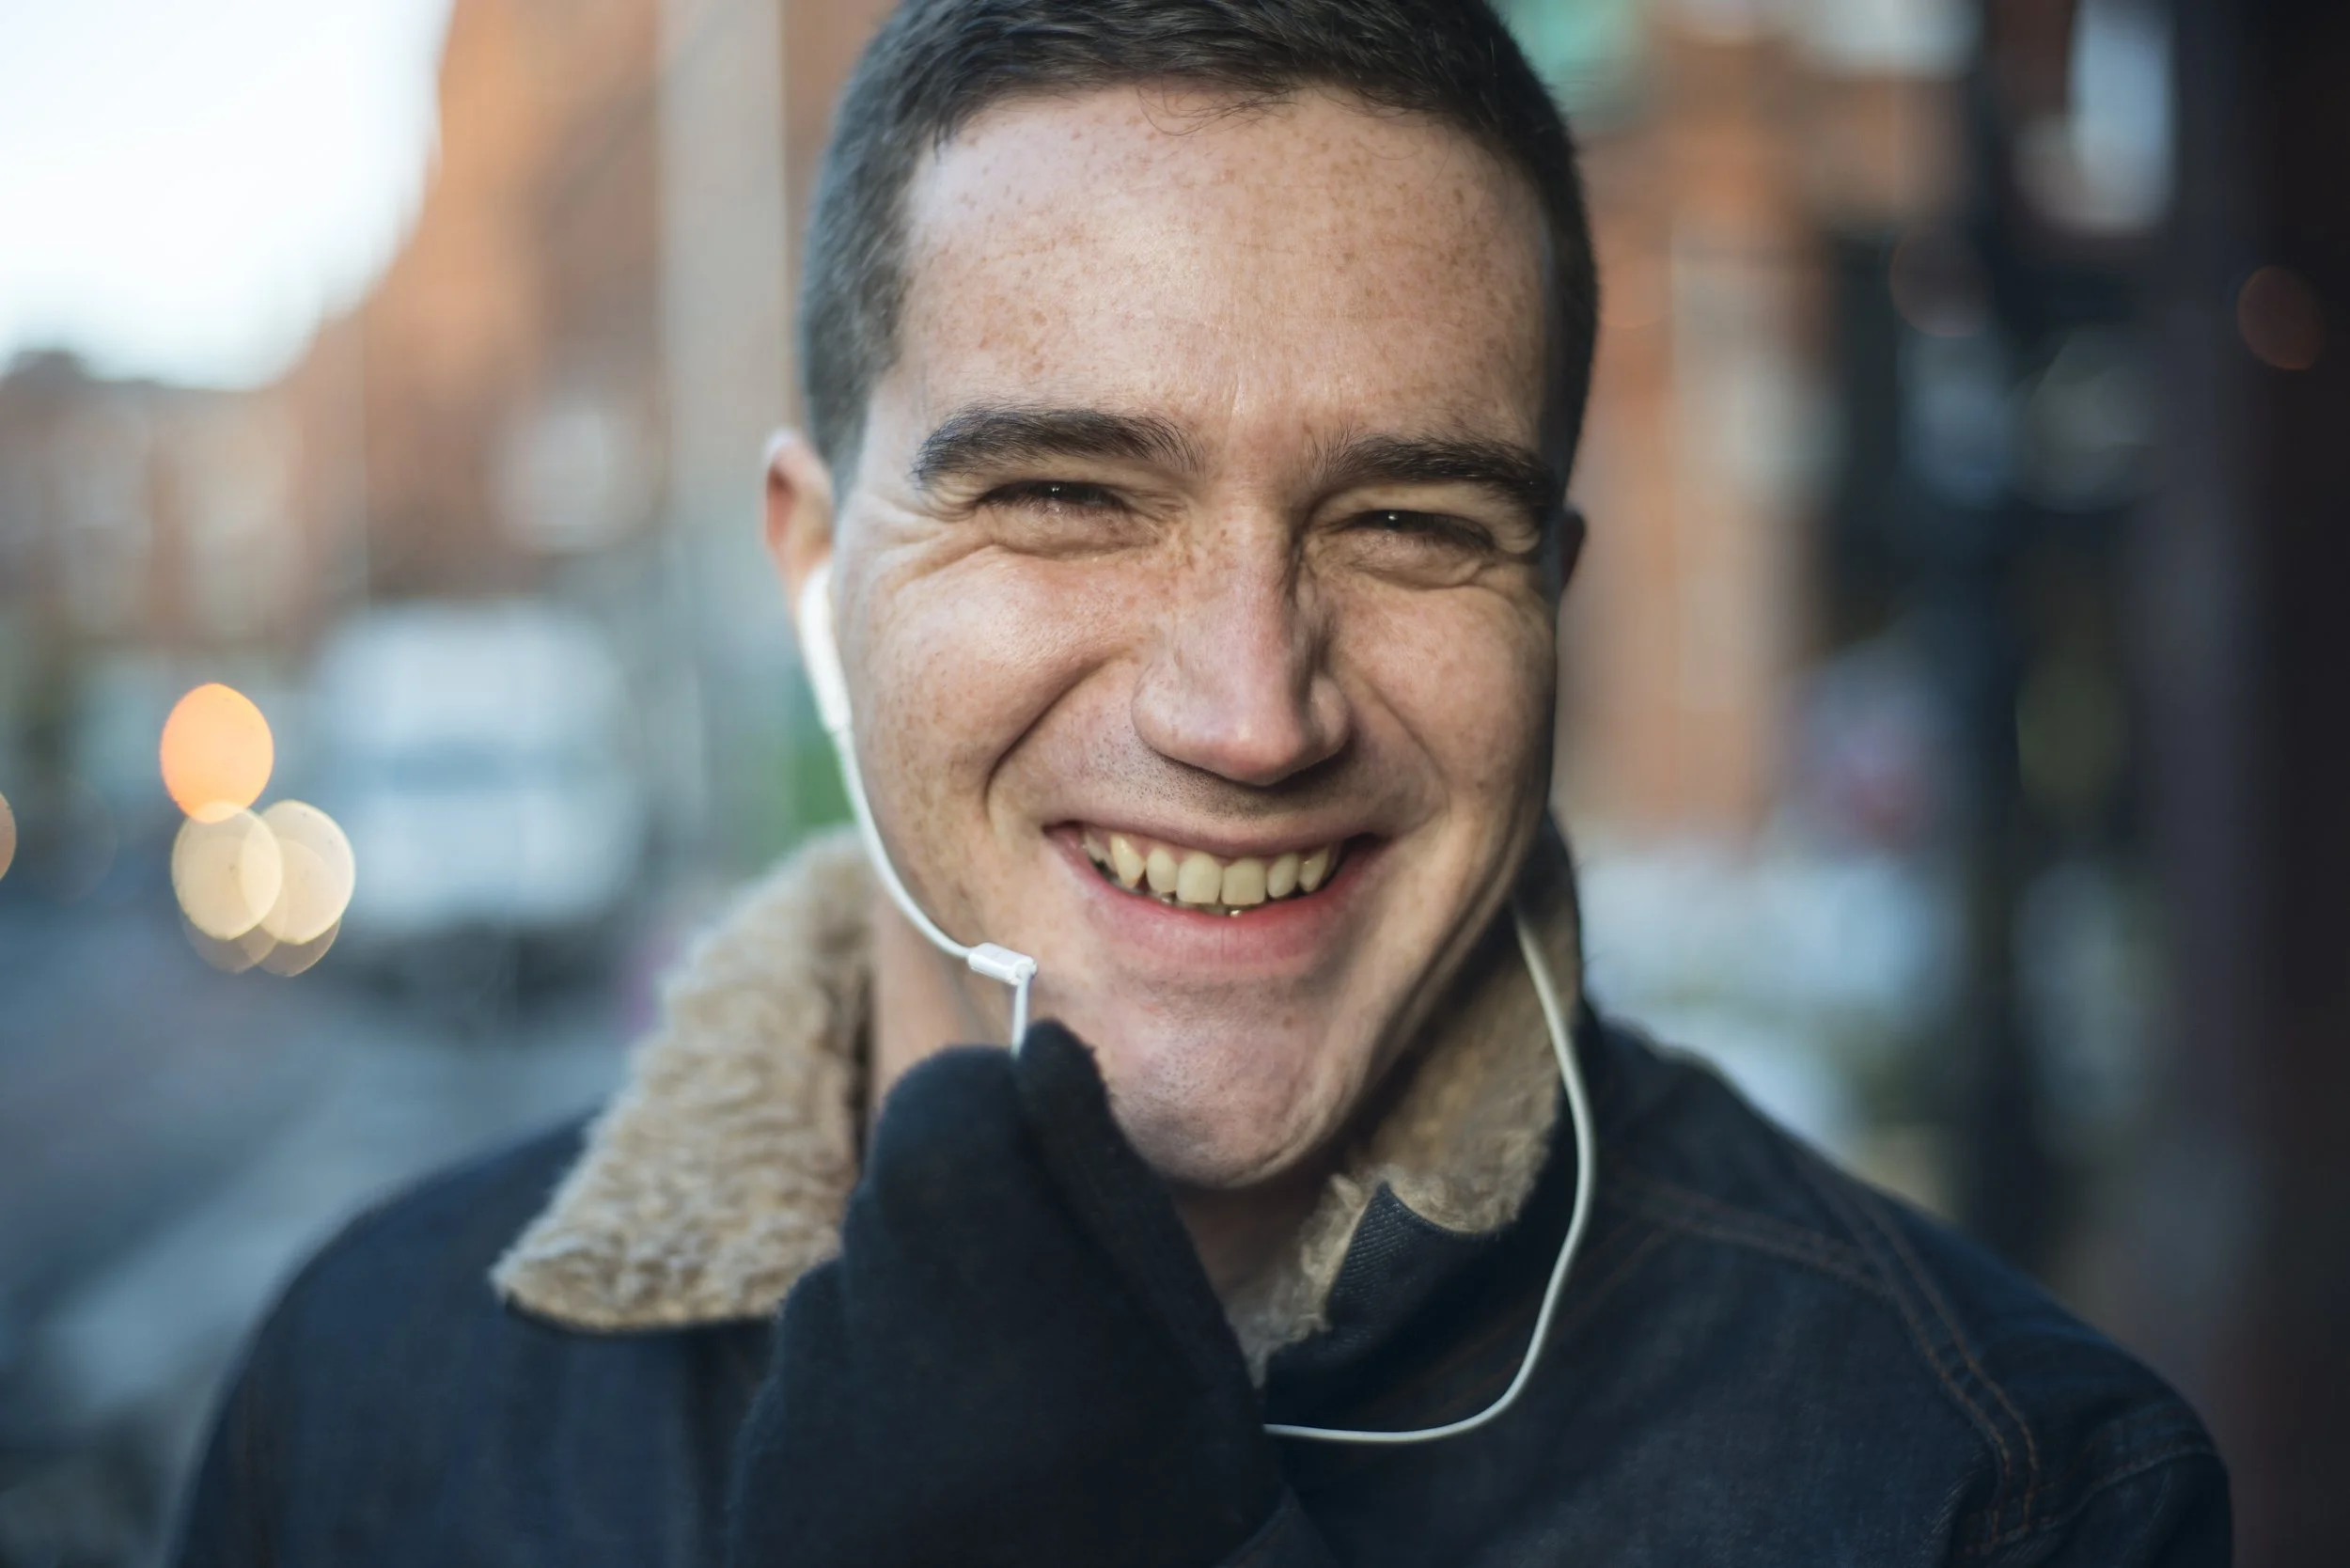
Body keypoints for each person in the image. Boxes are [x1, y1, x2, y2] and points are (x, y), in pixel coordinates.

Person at [173, 2, 2228, 1563]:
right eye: (1067, 497)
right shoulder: (369, 1388)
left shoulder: (1984, 1487)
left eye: (1413, 524)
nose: (1249, 714)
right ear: (816, 574)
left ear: (1549, 604)